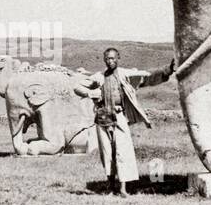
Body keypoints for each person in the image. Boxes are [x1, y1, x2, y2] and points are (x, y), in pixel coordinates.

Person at [75, 48, 175, 196]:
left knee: (123, 152)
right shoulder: (99, 77)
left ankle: (123, 189)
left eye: (113, 58)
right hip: (103, 117)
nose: (110, 61)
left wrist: (168, 70)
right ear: (104, 60)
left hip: (119, 116)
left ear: (118, 58)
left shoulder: (125, 75)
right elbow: (77, 87)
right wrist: (91, 93)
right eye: (107, 59)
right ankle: (110, 187)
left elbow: (147, 77)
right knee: (107, 153)